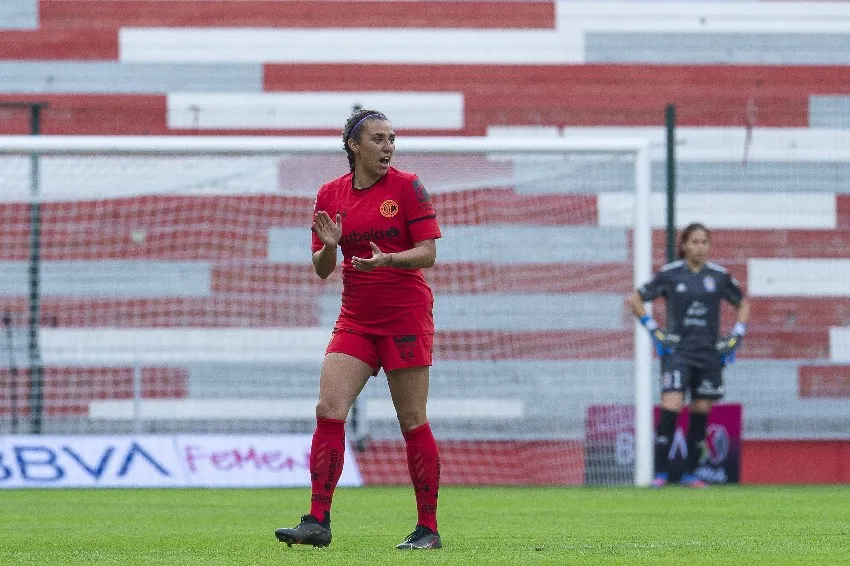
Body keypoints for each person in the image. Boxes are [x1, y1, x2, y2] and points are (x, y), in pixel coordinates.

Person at [275, 109, 443, 549]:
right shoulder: (329, 194)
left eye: (392, 139)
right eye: (379, 139)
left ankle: (428, 528)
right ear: (354, 145)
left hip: (405, 317)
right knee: (329, 408)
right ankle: (317, 521)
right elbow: (322, 269)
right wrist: (330, 248)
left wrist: (388, 259)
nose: (388, 147)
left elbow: (427, 254)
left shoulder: (408, 188)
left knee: (412, 420)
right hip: (356, 318)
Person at [626, 222, 749, 488]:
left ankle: (690, 474)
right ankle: (660, 474)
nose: (700, 246)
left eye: (704, 242)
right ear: (683, 245)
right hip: (677, 352)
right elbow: (635, 299)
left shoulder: (718, 276)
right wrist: (654, 331)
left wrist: (736, 335)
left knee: (701, 410)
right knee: (671, 405)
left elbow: (742, 304)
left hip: (709, 355)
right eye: (694, 241)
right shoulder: (671, 274)